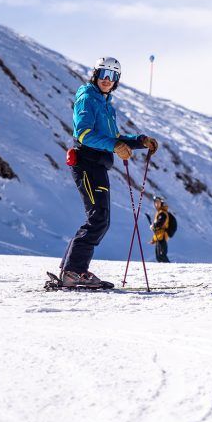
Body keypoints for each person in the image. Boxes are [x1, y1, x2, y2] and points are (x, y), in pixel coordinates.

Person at [59, 57, 158, 288]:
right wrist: (114, 146)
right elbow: (83, 133)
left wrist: (139, 141)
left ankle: (71, 270)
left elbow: (113, 138)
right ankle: (74, 271)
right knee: (98, 219)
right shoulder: (87, 99)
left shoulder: (105, 104)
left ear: (117, 81)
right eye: (103, 74)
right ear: (95, 74)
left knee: (100, 219)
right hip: (86, 162)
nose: (107, 79)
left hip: (98, 164)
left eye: (112, 76)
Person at [150, 195, 171, 263]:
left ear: (161, 203)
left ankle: (171, 270)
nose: (156, 204)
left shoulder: (162, 213)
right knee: (159, 257)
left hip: (162, 237)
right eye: (155, 203)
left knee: (162, 256)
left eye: (158, 203)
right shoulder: (159, 212)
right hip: (159, 237)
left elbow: (160, 223)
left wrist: (154, 226)